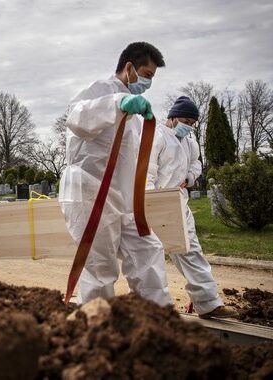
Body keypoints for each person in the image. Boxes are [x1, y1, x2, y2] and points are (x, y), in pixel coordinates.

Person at [59, 41, 172, 306]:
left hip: (122, 196)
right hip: (90, 189)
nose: (148, 83)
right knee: (100, 266)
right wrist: (119, 101)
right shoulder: (101, 90)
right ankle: (97, 326)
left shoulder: (134, 109)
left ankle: (157, 318)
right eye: (146, 75)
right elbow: (77, 118)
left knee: (148, 250)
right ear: (129, 68)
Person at [147, 96, 238, 318]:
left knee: (192, 251)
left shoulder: (190, 143)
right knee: (147, 258)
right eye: (185, 120)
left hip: (179, 203)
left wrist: (189, 177)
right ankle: (149, 309)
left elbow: (196, 164)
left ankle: (208, 304)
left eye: (192, 123)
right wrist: (149, 201)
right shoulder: (156, 136)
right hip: (154, 203)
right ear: (172, 117)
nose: (189, 126)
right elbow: (146, 170)